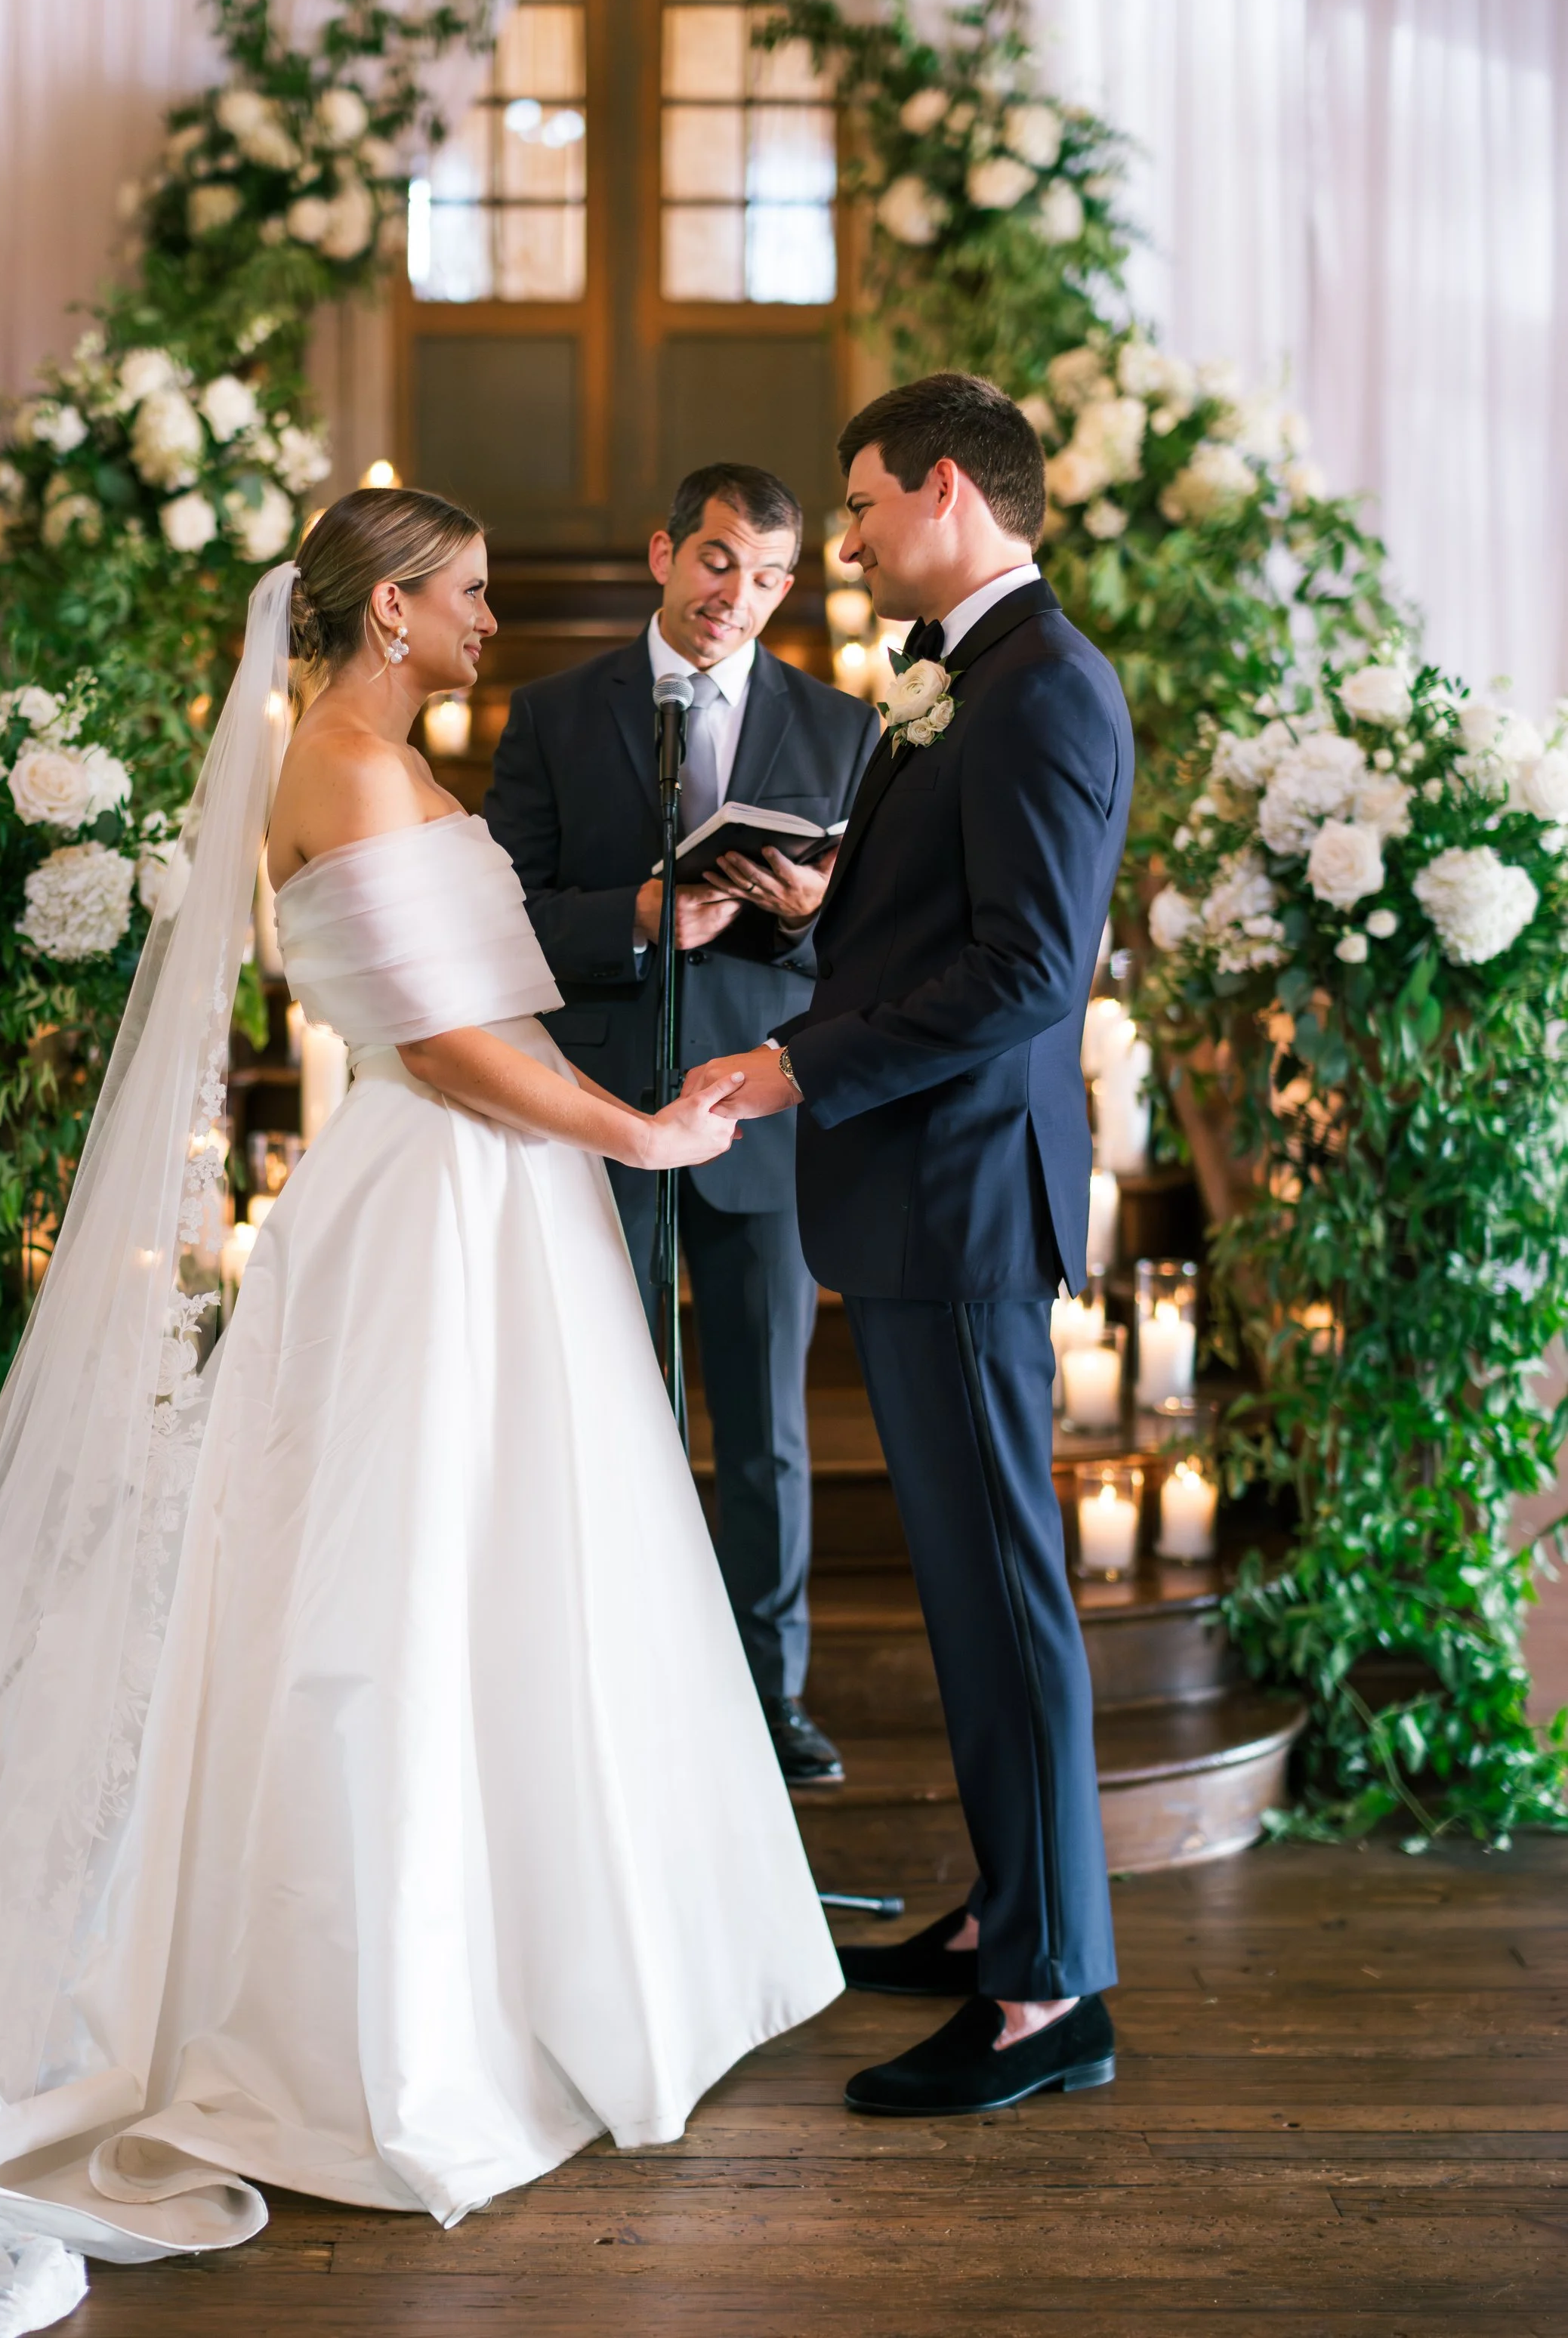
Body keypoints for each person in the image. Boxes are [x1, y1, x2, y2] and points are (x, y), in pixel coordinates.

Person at [0, 490, 841, 2330]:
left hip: (489, 1198)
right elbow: (443, 1042)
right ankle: (390, 2014)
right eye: (461, 595)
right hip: (434, 1200)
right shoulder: (349, 770)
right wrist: (636, 1130)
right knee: (399, 1591)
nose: (482, 621)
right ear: (386, 611)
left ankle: (561, 1943)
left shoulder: (382, 753)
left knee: (517, 1565)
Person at [684, 374, 1132, 2118]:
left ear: (945, 489)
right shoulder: (977, 682)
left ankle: (1045, 1998)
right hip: (922, 1190)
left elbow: (1030, 973)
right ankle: (1009, 1919)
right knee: (965, 1588)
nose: (849, 536)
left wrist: (797, 1057)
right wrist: (831, 911)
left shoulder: (1039, 691)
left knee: (1005, 1592)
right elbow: (949, 925)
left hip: (958, 1198)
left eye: (861, 506)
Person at [484, 464, 878, 1784]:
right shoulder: (549, 714)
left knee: (764, 1429)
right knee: (618, 1415)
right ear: (666, 551)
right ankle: (625, 1689)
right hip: (605, 1107)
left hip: (761, 1117)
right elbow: (496, 922)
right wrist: (633, 919)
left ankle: (771, 1700)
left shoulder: (843, 726)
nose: (739, 597)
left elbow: (881, 943)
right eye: (718, 562)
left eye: (770, 578)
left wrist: (820, 916)